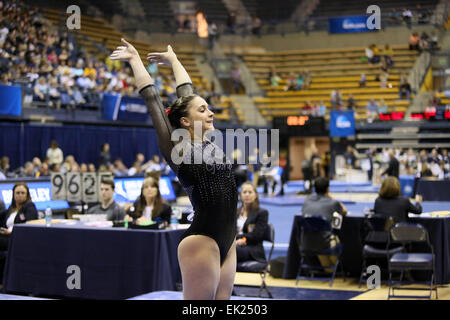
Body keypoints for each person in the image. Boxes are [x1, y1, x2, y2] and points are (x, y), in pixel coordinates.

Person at [110, 39, 238, 300]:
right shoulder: (177, 150)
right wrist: (135, 60)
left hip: (229, 238)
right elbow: (153, 100)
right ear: (185, 121)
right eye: (203, 110)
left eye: (209, 107)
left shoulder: (209, 140)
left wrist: (175, 60)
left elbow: (186, 90)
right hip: (202, 239)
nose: (211, 113)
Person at [302, 177, 347, 271]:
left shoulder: (306, 201)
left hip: (305, 243)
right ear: (327, 188)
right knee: (333, 238)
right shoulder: (333, 203)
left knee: (320, 236)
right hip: (324, 243)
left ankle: (330, 271)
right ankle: (334, 270)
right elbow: (344, 211)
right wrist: (330, 196)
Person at [235, 182, 269, 264]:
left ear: (256, 195)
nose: (247, 195)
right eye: (244, 192)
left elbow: (256, 236)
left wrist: (240, 239)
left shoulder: (262, 213)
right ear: (240, 195)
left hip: (252, 248)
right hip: (235, 244)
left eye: (250, 192)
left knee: (232, 252)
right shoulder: (235, 212)